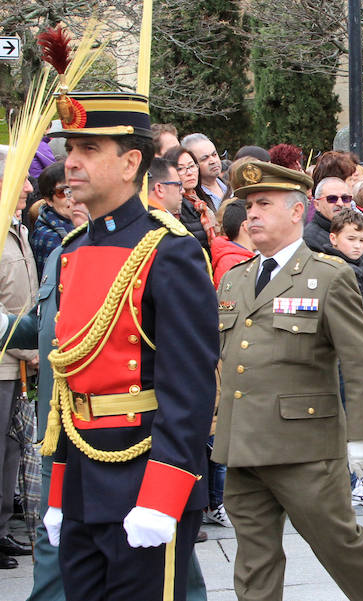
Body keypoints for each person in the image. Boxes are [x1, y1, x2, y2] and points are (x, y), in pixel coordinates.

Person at [40, 91, 218, 601]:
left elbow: (188, 390)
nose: (69, 162)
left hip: (143, 481)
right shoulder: (73, 250)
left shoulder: (171, 252)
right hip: (80, 482)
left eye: (89, 149)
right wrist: (58, 492)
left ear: (130, 162)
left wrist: (161, 498)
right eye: (70, 147)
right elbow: (64, 390)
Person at [213, 159, 363, 601]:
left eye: (264, 204)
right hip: (243, 446)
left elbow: (361, 362)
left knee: (343, 549)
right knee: (253, 562)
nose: (252, 215)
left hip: (303, 447)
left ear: (297, 211)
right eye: (248, 206)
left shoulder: (328, 276)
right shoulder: (234, 280)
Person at [0, 147, 39, 569]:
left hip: (18, 360)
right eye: (20, 178)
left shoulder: (15, 229)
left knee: (10, 454)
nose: (28, 186)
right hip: (5, 359)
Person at [163, 145, 216, 252]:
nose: (189, 173)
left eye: (191, 166)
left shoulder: (202, 199)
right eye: (181, 169)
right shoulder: (175, 206)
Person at [30, 161, 74, 276]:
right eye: (62, 192)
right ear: (48, 200)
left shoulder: (85, 222)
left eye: (76, 188)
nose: (72, 197)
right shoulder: (49, 237)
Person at [303, 176, 352, 252]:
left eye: (345, 198)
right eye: (332, 199)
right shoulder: (311, 240)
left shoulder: (355, 229)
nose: (340, 203)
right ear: (317, 205)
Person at [182, 133, 230, 208]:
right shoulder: (191, 201)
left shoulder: (231, 187)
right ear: (193, 164)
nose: (213, 161)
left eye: (214, 154)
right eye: (205, 158)